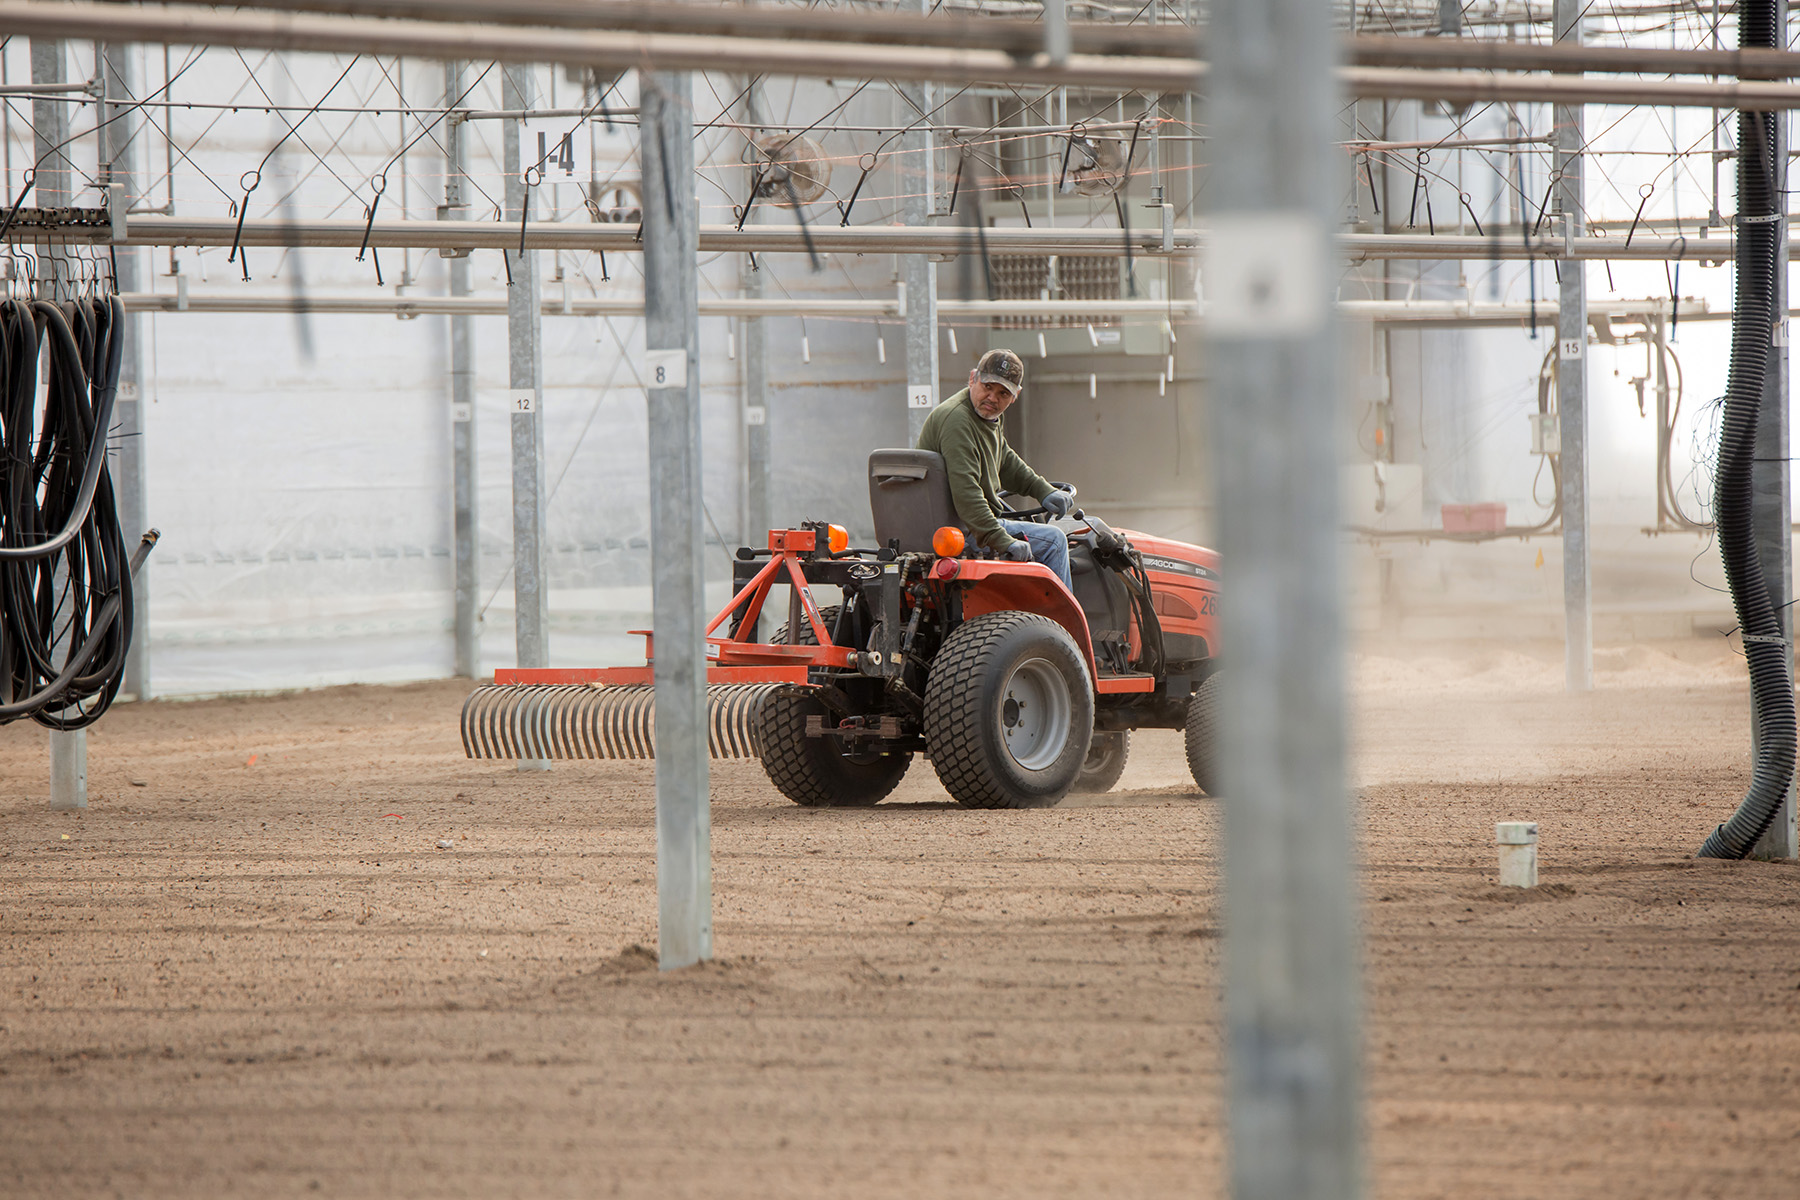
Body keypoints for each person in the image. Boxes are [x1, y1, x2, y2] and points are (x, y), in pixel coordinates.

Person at [916, 347, 1075, 591]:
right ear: (973, 379)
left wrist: (1043, 490)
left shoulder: (984, 417)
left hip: (962, 525)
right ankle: (1061, 628)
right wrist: (1000, 539)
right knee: (1054, 541)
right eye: (988, 387)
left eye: (1003, 392)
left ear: (1015, 396)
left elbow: (1005, 460)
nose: (993, 397)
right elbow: (967, 494)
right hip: (963, 529)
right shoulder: (958, 420)